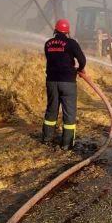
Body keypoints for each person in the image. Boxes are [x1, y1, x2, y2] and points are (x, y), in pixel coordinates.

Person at [42, 19, 86, 150]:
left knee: (51, 111)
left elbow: (51, 59)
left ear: (55, 29)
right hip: (67, 82)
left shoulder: (48, 43)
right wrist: (79, 69)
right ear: (67, 31)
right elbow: (82, 60)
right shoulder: (71, 43)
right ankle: (66, 144)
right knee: (69, 113)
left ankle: (46, 139)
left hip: (51, 81)